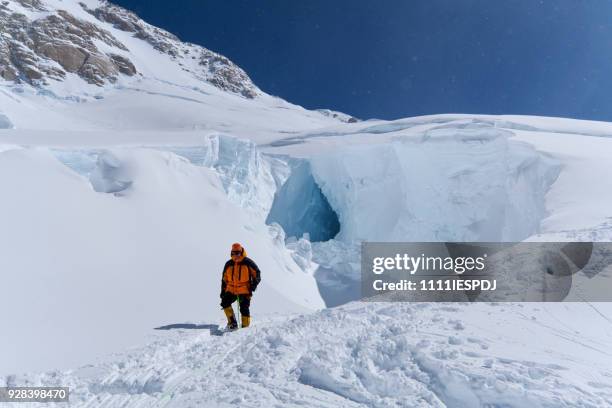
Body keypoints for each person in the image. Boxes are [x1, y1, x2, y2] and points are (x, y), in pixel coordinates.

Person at [220, 243, 261, 329]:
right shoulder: (228, 264)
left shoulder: (248, 262)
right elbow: (224, 280)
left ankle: (245, 328)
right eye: (234, 253)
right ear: (231, 253)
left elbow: (257, 273)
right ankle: (232, 323)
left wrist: (253, 285)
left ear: (241, 252)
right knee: (225, 302)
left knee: (244, 309)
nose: (236, 255)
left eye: (238, 253)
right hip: (231, 290)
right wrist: (223, 291)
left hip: (244, 290)